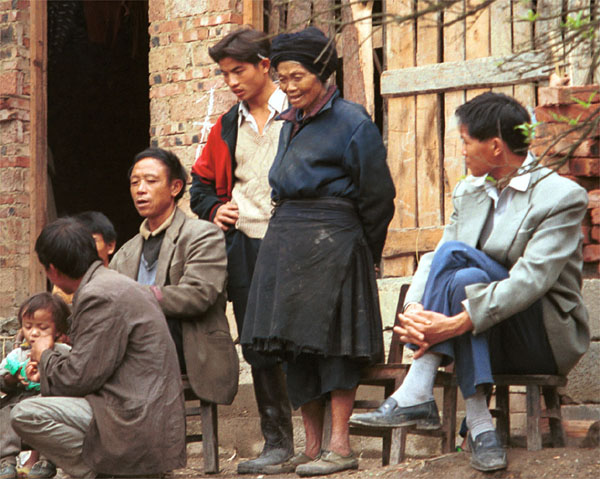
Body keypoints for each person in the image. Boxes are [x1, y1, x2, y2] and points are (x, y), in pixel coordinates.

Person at [349, 92, 590, 472]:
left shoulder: (560, 197)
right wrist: (415, 308)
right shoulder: (469, 191)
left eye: (464, 141)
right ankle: (481, 428)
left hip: (539, 334)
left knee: (459, 263)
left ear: (495, 147)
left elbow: (531, 280)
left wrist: (455, 323)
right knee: (465, 275)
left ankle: (417, 387)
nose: (460, 151)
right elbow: (438, 259)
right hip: (484, 331)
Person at [241, 27, 396, 476]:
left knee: (334, 346)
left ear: (323, 74)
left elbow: (377, 197)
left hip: (336, 241)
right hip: (286, 240)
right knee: (293, 346)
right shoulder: (292, 121)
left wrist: (361, 248)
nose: (288, 87)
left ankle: (341, 447)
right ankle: (310, 449)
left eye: (296, 78)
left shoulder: (352, 121)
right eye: (283, 79)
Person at [189, 28, 293, 474]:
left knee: (305, 339)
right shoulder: (227, 124)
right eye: (224, 73)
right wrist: (215, 207)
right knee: (258, 344)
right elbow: (198, 186)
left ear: (264, 66)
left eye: (238, 70)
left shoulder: (298, 110)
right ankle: (277, 441)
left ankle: (324, 441)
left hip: (297, 242)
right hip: (247, 246)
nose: (230, 81)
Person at [10, 217, 186, 478]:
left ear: (52, 271)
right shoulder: (111, 283)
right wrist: (52, 358)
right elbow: (94, 361)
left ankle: (110, 473)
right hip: (143, 415)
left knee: (25, 413)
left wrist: (45, 354)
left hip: (133, 421)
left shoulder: (98, 295)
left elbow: (78, 378)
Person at [110, 147, 239, 409]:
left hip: (187, 350)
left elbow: (198, 295)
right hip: (139, 353)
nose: (140, 190)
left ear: (175, 187)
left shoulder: (202, 234)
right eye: (135, 183)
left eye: (151, 181)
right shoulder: (125, 253)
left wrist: (138, 297)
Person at [1, 293, 70, 479]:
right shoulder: (19, 354)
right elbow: (2, 378)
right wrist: (13, 379)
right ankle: (6, 460)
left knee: (53, 413)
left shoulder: (63, 353)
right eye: (28, 327)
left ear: (58, 330)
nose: (34, 333)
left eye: (42, 327)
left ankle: (47, 460)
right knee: (4, 411)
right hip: (20, 399)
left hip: (50, 399)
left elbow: (71, 376)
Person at [51, 211, 116, 306]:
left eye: (92, 241)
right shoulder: (65, 287)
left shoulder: (122, 281)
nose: (85, 247)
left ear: (110, 246)